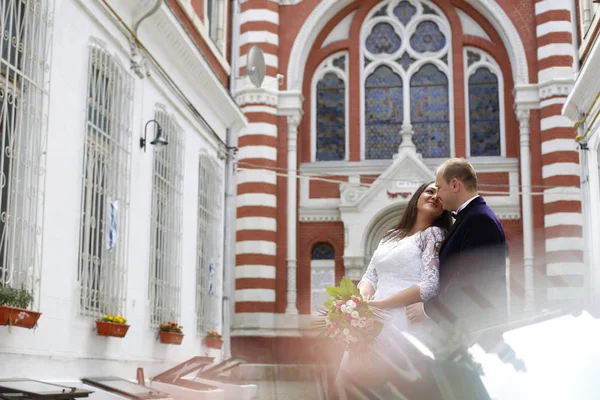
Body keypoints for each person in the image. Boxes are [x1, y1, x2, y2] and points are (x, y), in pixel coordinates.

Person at [335, 181, 452, 397]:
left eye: (440, 195)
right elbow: (371, 275)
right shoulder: (390, 235)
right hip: (371, 324)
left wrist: (380, 304)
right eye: (429, 191)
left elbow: (429, 284)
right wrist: (358, 303)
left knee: (394, 388)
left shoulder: (433, 234)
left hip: (404, 323)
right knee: (351, 381)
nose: (435, 196)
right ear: (417, 197)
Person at [406, 158, 508, 344]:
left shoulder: (479, 220)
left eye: (439, 188)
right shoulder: (470, 217)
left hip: (475, 333)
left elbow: (469, 282)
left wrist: (428, 309)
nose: (437, 196)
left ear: (454, 185)